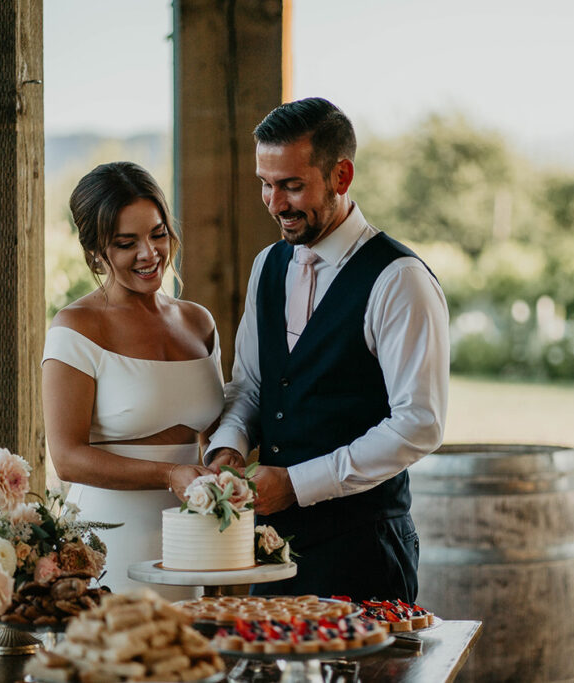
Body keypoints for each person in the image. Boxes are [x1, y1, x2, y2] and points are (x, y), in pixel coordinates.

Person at [206, 98, 450, 602]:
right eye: (265, 184)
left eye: (292, 186)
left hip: (365, 551)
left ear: (341, 175)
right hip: (274, 553)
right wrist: (228, 445)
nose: (274, 203)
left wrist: (298, 483)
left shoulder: (399, 280)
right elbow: (251, 385)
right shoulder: (267, 266)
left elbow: (420, 423)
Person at [41, 162, 223, 598]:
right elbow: (66, 458)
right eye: (127, 243)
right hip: (110, 542)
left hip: (194, 540)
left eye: (158, 234)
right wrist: (169, 474)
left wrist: (225, 465)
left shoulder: (198, 322)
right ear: (95, 252)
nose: (149, 253)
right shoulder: (76, 328)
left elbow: (214, 435)